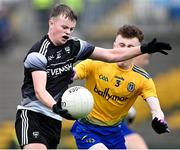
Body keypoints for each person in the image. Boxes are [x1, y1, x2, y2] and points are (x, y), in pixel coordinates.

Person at [14, 3, 171, 149]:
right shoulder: (38, 54)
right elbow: (40, 91)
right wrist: (58, 103)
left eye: (71, 29)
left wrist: (144, 49)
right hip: (34, 114)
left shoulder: (75, 46)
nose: (68, 32)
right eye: (64, 27)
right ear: (51, 23)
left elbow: (110, 55)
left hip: (58, 120)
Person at [70, 25, 170, 149]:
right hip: (87, 129)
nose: (125, 50)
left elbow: (156, 110)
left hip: (114, 134)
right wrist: (66, 73)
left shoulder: (143, 79)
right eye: (121, 45)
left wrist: (158, 120)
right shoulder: (95, 63)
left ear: (138, 51)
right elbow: (73, 73)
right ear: (114, 45)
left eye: (130, 47)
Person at [122, 54, 151, 149]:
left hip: (117, 126)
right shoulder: (116, 73)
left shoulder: (137, 78)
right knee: (138, 145)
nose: (147, 62)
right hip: (103, 127)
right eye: (145, 58)